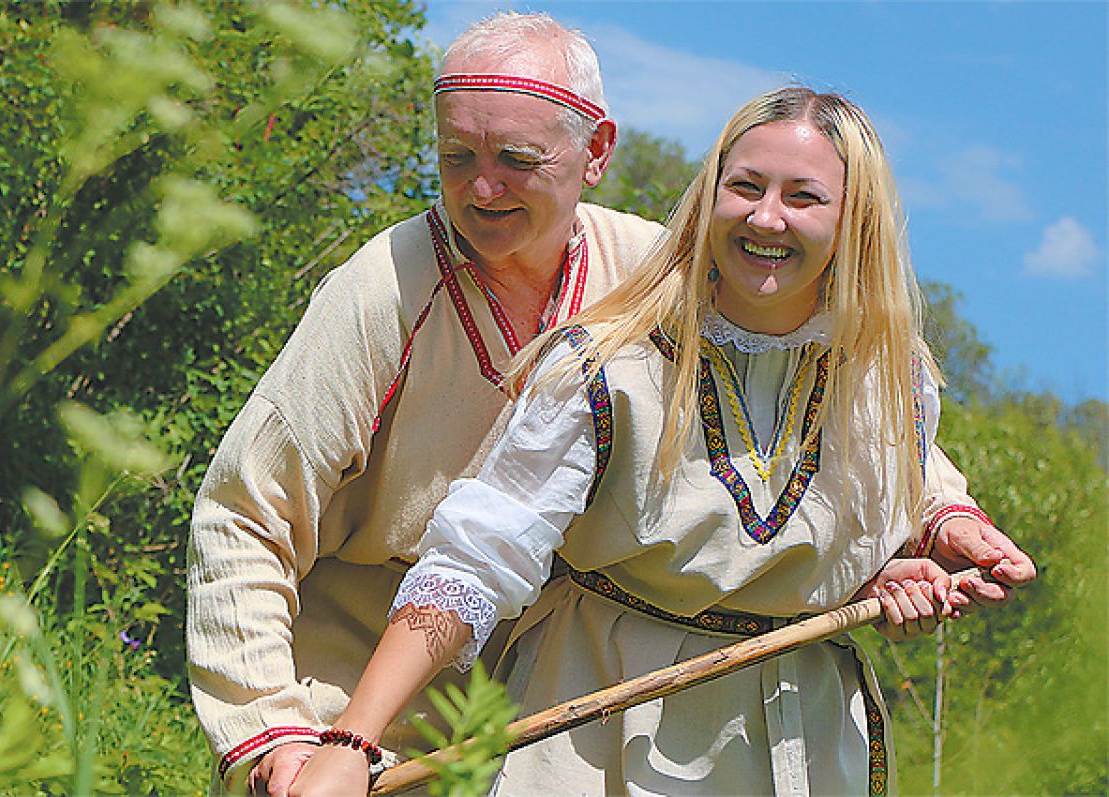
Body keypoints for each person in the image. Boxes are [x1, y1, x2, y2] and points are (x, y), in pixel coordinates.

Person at [288, 87, 1036, 796]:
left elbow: (877, 517)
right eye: (745, 187)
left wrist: (914, 560)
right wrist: (351, 741)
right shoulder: (606, 364)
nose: (766, 218)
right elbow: (477, 558)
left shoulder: (893, 382)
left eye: (803, 197)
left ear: (854, 221)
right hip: (593, 723)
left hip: (800, 739)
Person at [185, 12, 667, 794]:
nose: (482, 188)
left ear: (597, 151)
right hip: (344, 686)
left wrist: (937, 510)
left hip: (551, 703)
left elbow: (820, 380)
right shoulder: (384, 288)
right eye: (456, 156)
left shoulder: (652, 280)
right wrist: (271, 731)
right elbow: (245, 512)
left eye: (516, 159)